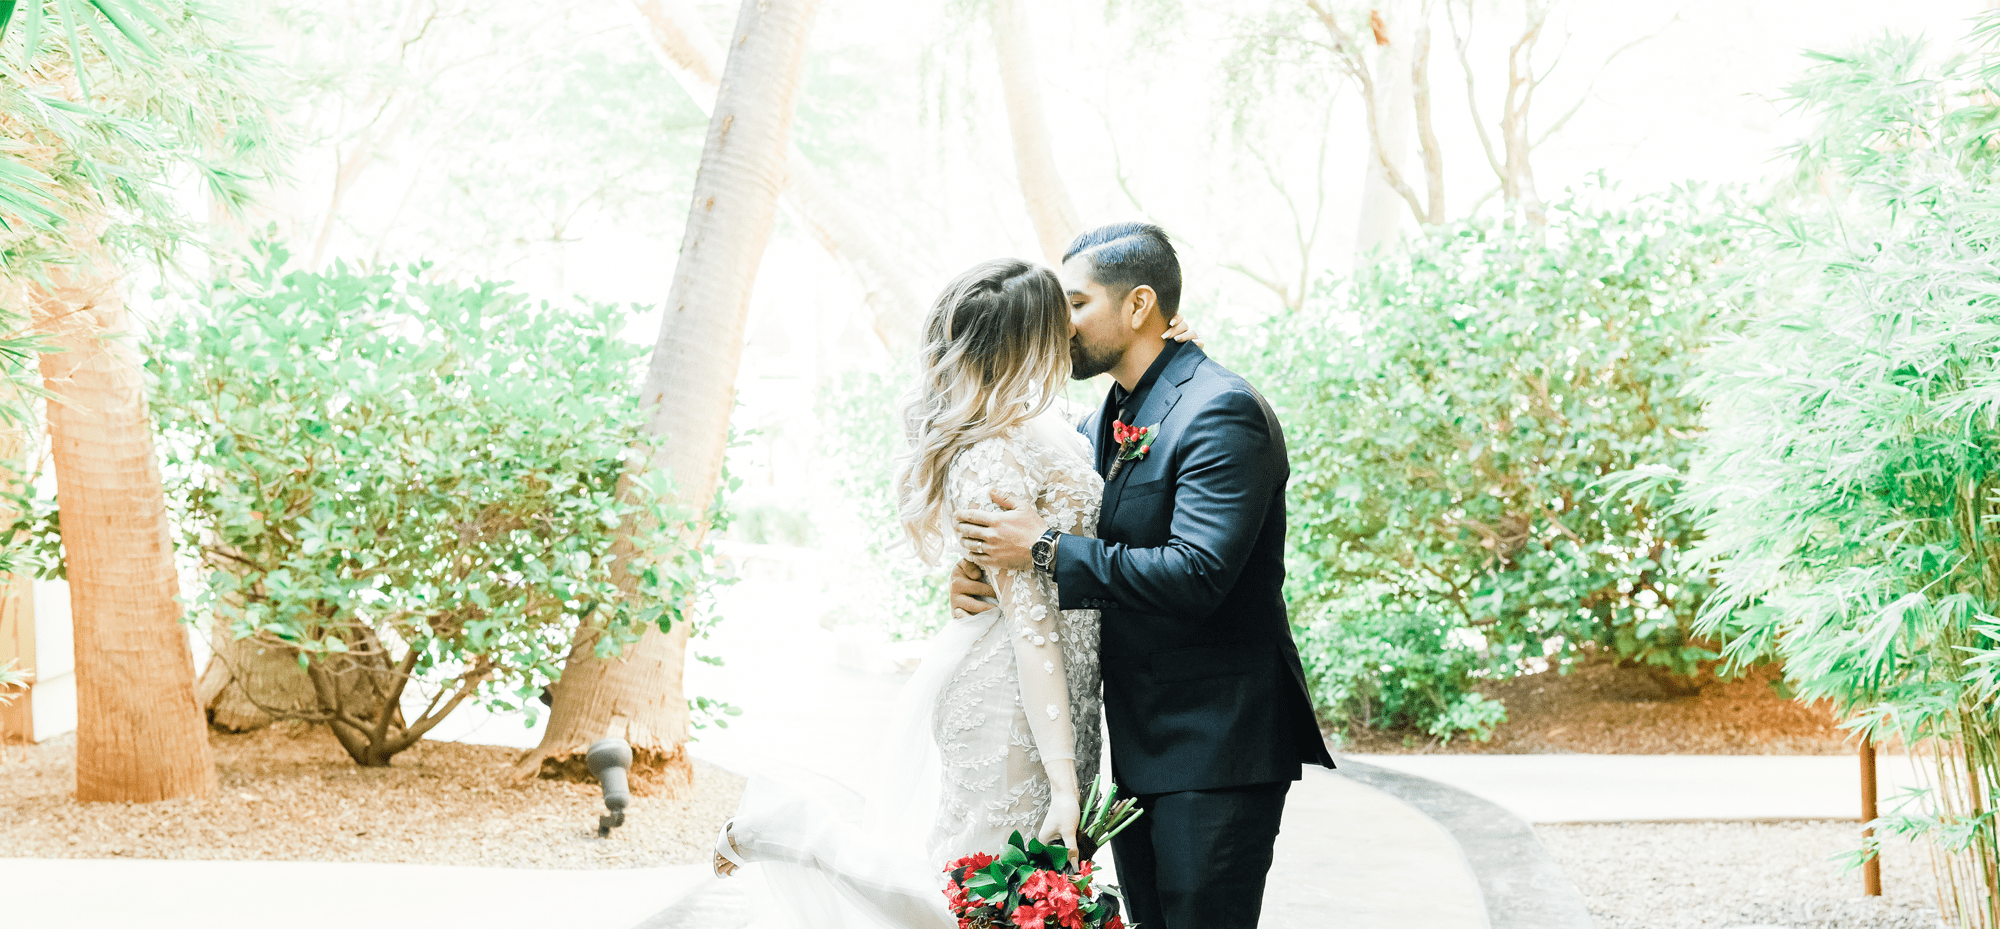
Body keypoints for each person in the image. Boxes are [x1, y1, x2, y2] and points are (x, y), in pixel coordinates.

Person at [706, 256, 1198, 928]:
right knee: (978, 893)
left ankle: (790, 830)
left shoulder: (1047, 424)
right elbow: (1030, 626)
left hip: (1063, 693)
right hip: (1012, 694)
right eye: (1064, 320)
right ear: (1029, 342)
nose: (1076, 333)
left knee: (1012, 895)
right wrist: (1061, 781)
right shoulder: (989, 455)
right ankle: (789, 829)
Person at [953, 222, 1335, 929]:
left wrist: (1042, 548)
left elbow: (1198, 573)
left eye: (1075, 303)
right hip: (1139, 745)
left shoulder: (1220, 410)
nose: (1057, 323)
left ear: (1138, 306)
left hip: (1215, 744)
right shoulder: (1108, 412)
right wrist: (981, 571)